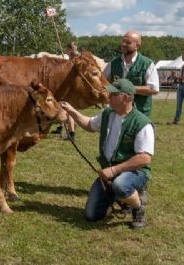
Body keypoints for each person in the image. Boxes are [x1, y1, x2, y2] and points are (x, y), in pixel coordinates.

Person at [60, 78, 154, 229]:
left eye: (113, 94)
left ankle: (138, 206)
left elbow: (145, 158)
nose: (108, 96)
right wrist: (71, 110)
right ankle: (123, 198)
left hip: (133, 171)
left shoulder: (142, 123)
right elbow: (89, 125)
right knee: (92, 215)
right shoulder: (107, 113)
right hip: (108, 173)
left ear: (127, 98)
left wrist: (115, 170)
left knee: (121, 185)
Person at [103, 31, 159, 117]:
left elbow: (154, 89)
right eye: (123, 41)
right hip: (116, 111)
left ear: (137, 46)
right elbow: (103, 82)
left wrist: (128, 88)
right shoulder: (113, 63)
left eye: (128, 42)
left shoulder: (147, 64)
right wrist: (113, 90)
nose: (123, 44)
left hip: (139, 112)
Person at [51, 42, 79, 140]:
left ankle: (72, 133)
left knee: (68, 109)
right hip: (70, 87)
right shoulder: (72, 57)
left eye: (66, 49)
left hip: (70, 88)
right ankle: (61, 127)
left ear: (69, 48)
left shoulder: (74, 57)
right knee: (63, 107)